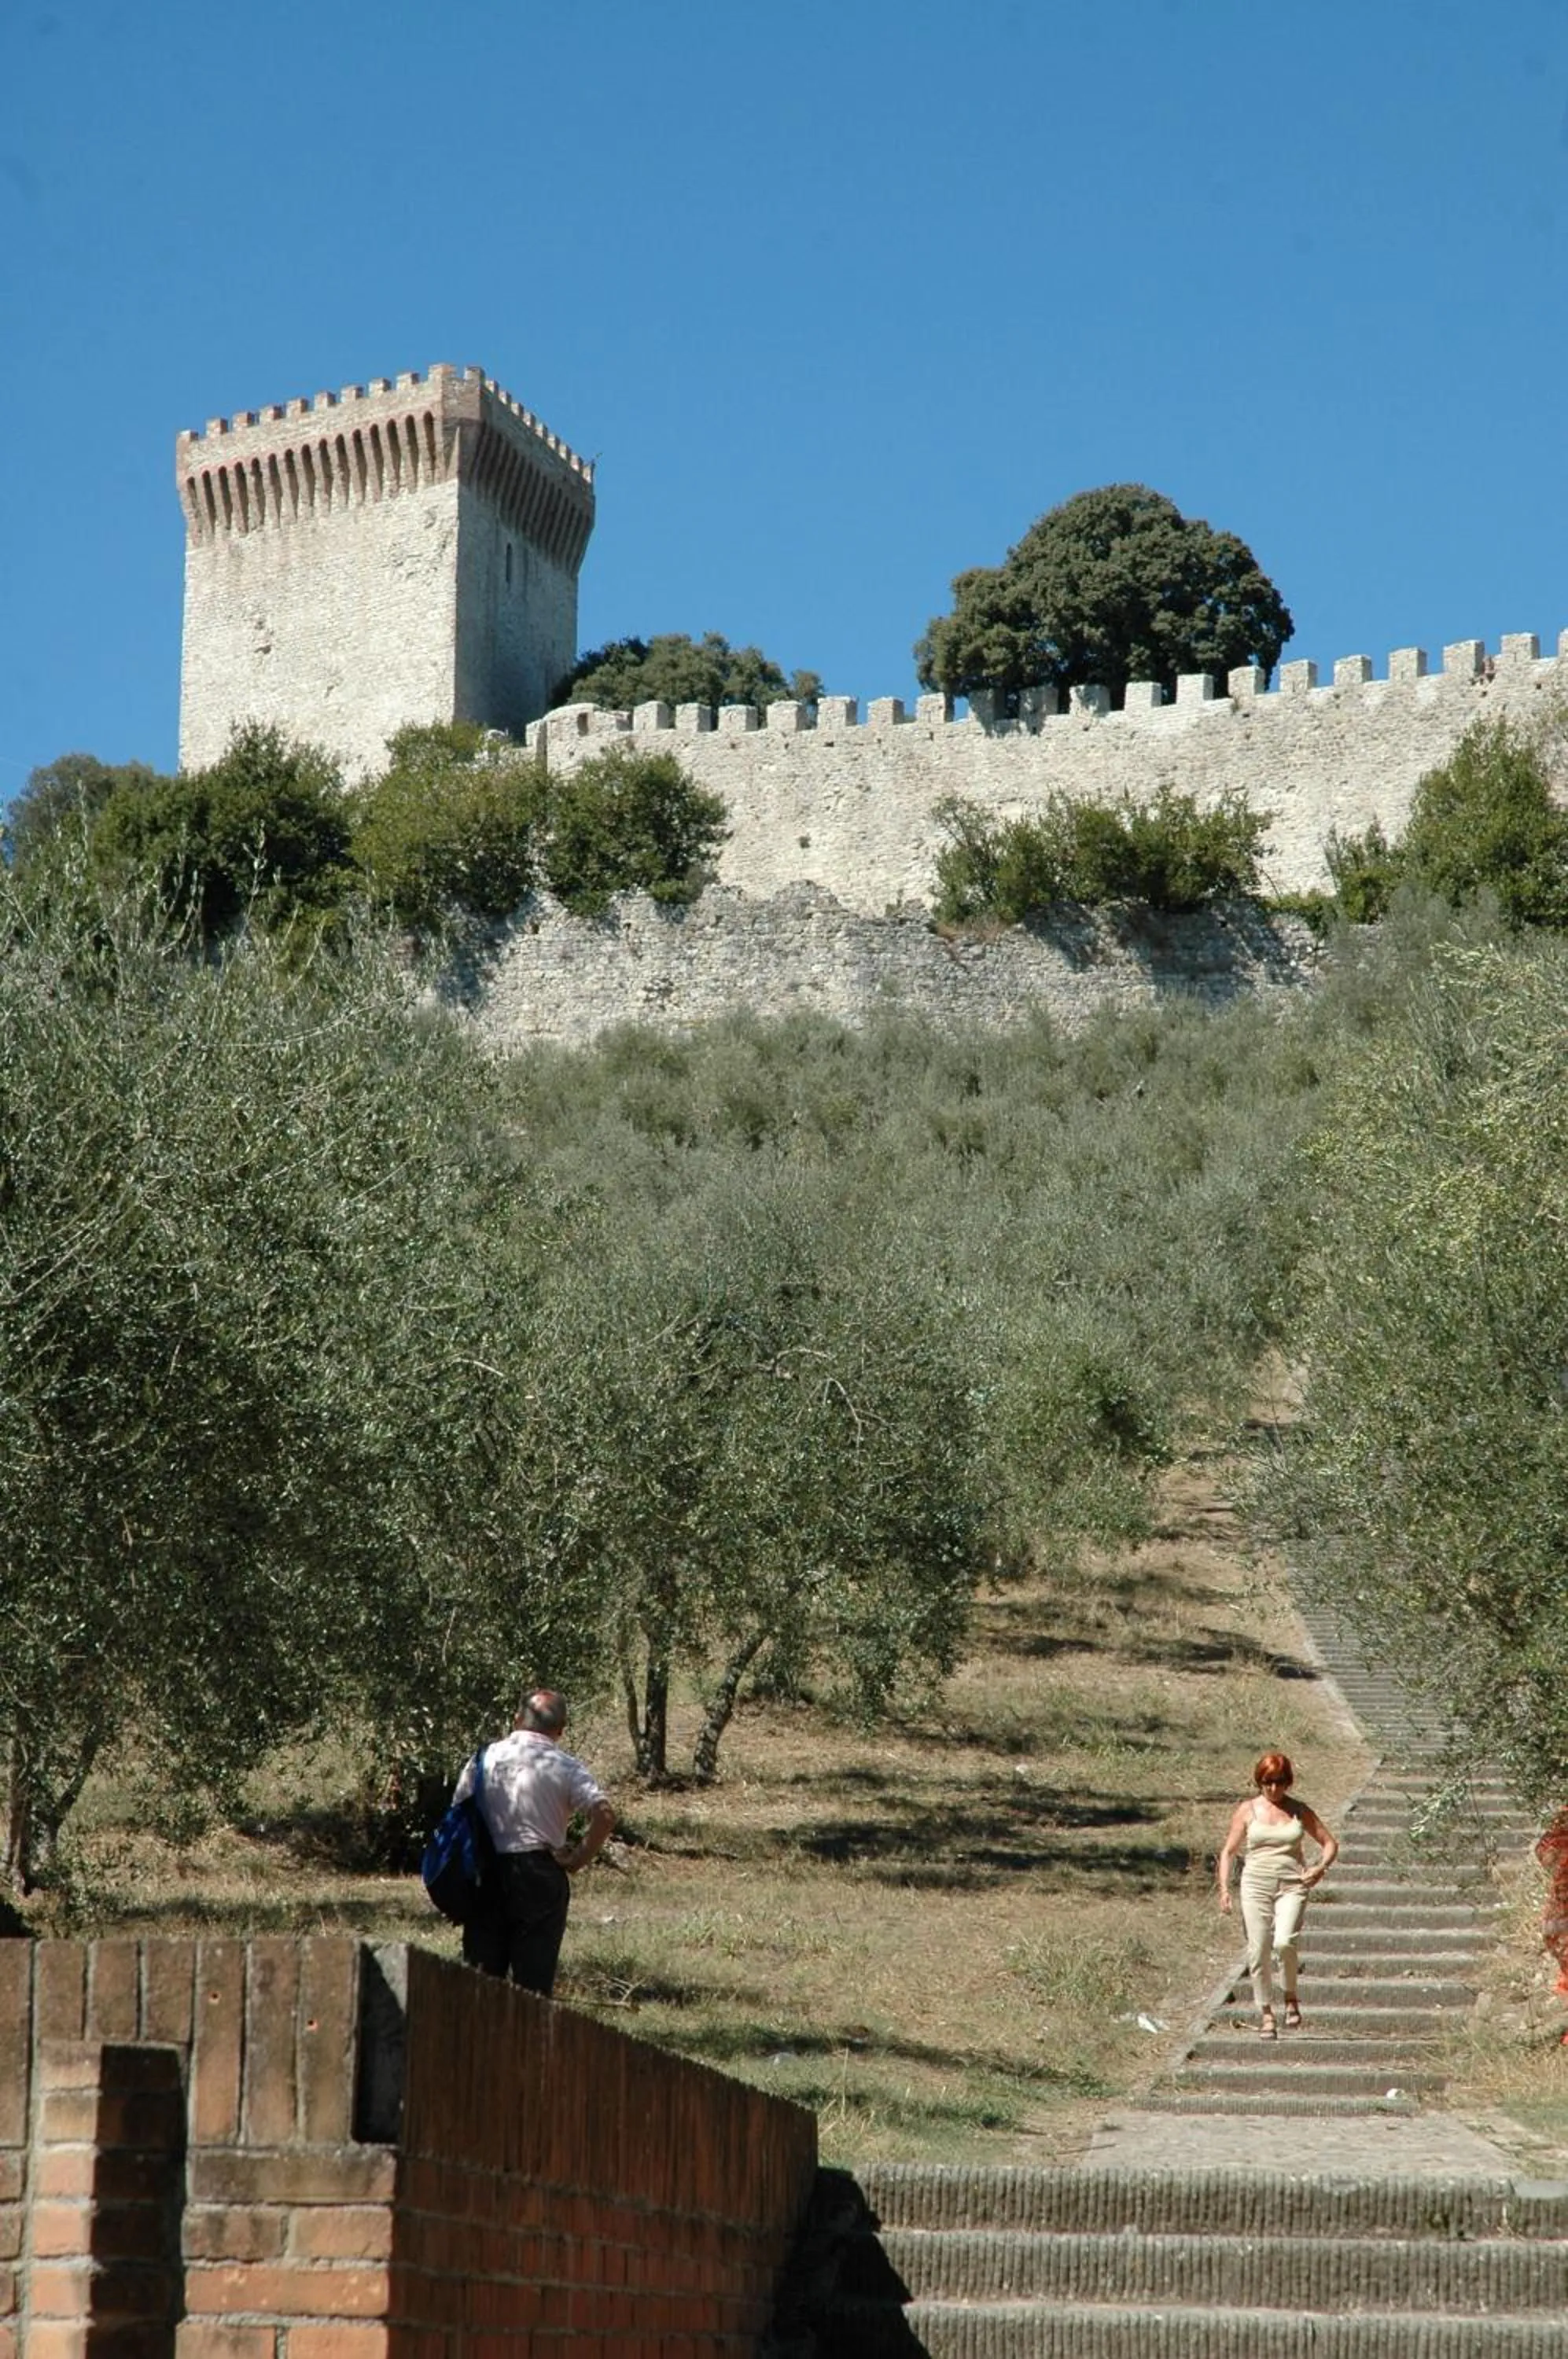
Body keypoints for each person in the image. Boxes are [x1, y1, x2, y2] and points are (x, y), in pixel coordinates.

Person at [451, 1688, 616, 1997]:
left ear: (516, 1720)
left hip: (487, 1873)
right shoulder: (566, 1766)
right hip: (539, 1874)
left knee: (481, 1983)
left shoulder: (482, 1760)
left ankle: (484, 2041)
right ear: (561, 1729)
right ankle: (529, 2042)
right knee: (534, 1987)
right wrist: (579, 1857)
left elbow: (458, 1813)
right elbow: (604, 1816)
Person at [1216, 1750, 1338, 2038]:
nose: (1273, 1789)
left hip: (1292, 1883)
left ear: (1288, 1782)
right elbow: (1229, 1852)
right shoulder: (1248, 1811)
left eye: (1280, 1782)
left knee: (1284, 1942)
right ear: (1259, 1782)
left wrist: (1320, 1868)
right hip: (1256, 1884)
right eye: (1268, 1783)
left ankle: (1291, 1996)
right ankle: (1266, 2013)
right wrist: (1224, 1888)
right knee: (1258, 1949)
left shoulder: (1298, 1810)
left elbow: (1329, 1843)